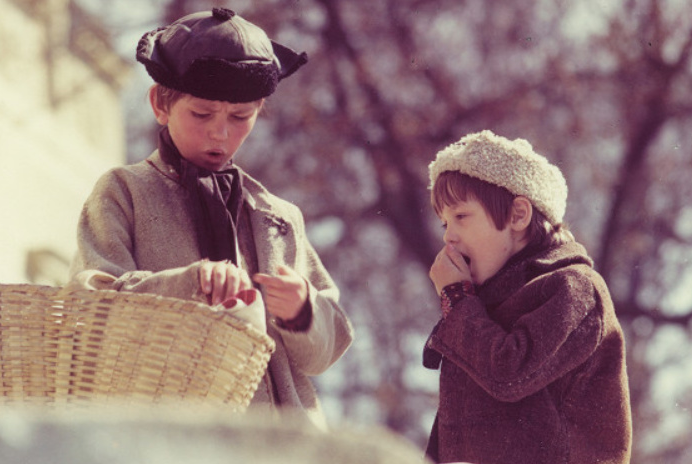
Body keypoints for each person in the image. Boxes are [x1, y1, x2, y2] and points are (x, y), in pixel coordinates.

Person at [69, 7, 353, 429]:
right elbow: (91, 311)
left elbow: (327, 351)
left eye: (240, 117)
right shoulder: (122, 192)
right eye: (201, 114)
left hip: (280, 441)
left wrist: (303, 310)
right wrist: (190, 284)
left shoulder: (278, 216)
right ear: (159, 104)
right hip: (173, 437)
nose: (220, 133)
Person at [422, 130, 632, 463]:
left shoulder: (574, 287)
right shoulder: (483, 305)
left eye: (460, 216)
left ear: (518, 215)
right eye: (444, 223)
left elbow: (510, 373)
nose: (449, 236)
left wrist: (457, 298)